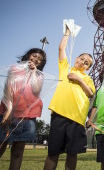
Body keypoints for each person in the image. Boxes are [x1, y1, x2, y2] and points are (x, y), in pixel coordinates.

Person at [0, 48, 47, 170]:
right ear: (28, 56)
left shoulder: (39, 76)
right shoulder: (15, 68)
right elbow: (8, 87)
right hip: (8, 113)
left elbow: (36, 90)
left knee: (18, 152)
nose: (36, 59)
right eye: (34, 56)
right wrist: (9, 109)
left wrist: (34, 72)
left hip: (27, 117)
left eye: (40, 59)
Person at [43, 26, 95, 170]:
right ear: (77, 57)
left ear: (88, 68)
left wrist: (79, 79)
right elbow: (61, 48)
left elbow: (90, 93)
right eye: (82, 58)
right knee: (53, 152)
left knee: (72, 154)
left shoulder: (87, 78)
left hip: (77, 118)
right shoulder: (65, 68)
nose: (83, 62)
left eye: (87, 63)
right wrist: (67, 33)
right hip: (59, 114)